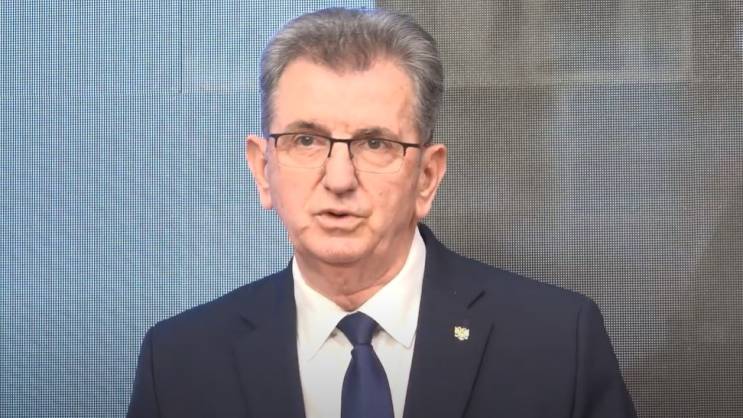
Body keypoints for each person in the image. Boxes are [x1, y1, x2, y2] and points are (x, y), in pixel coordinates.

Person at [127, 7, 637, 418]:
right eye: (306, 140)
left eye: (375, 144)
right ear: (264, 170)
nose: (339, 179)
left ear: (427, 177)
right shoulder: (179, 362)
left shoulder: (556, 342)